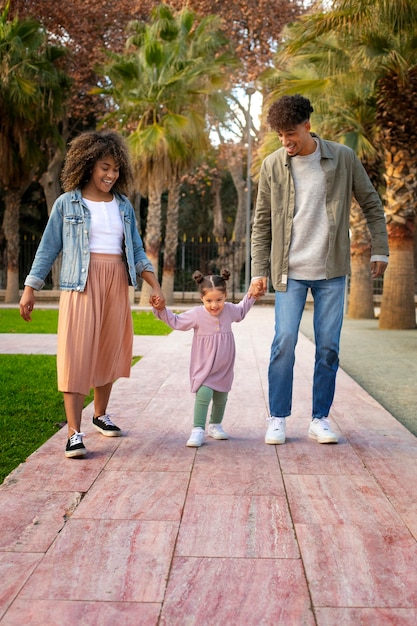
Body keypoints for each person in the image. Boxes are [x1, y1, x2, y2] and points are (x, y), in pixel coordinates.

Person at [251, 94, 389, 446]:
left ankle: (320, 418)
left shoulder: (342, 157)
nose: (286, 142)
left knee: (328, 347)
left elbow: (372, 204)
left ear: (307, 126)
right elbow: (262, 222)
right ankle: (278, 417)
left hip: (331, 270)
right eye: (280, 135)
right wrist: (258, 270)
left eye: (291, 134)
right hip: (289, 271)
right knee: (284, 342)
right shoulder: (272, 165)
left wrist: (382, 250)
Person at [19, 130, 165, 458]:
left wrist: (154, 285)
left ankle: (99, 415)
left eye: (115, 168)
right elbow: (47, 249)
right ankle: (73, 432)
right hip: (80, 284)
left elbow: (137, 250)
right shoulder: (67, 203)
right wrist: (30, 288)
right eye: (104, 167)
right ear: (88, 165)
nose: (111, 174)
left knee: (108, 350)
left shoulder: (123, 205)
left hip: (115, 280)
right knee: (76, 353)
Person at [153, 270, 262, 447]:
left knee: (221, 395)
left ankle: (215, 425)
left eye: (219, 300)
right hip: (204, 364)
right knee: (204, 393)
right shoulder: (196, 314)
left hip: (224, 365)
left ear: (225, 296)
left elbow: (241, 310)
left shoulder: (229, 310)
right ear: (201, 298)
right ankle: (198, 429)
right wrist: (161, 309)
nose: (214, 305)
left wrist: (252, 295)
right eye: (209, 300)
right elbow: (176, 321)